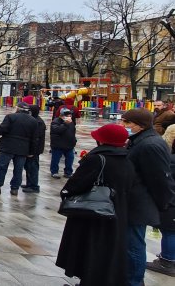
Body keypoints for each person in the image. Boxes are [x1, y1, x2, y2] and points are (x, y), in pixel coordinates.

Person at [56, 124, 136, 285]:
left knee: (88, 248)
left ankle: (88, 280)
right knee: (106, 251)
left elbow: (77, 183)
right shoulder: (127, 159)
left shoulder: (97, 159)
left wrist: (66, 193)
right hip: (115, 211)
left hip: (92, 212)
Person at [123, 107, 175, 285]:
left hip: (140, 202)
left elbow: (160, 178)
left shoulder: (150, 145)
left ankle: (135, 281)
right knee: (131, 244)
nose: (125, 125)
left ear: (140, 125)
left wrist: (163, 203)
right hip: (136, 200)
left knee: (134, 245)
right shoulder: (141, 140)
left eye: (128, 122)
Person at [0, 101, 40, 196]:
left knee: (2, 167)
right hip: (23, 149)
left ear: (18, 108)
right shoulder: (33, 121)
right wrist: (31, 151)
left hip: (8, 146)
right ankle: (15, 189)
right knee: (18, 169)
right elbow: (34, 139)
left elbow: (1, 131)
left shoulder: (10, 117)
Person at [149, 124, 175, 276]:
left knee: (170, 231)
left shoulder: (171, 159)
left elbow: (164, 179)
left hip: (171, 201)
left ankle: (167, 261)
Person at [21, 104, 47, 193]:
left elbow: (36, 138)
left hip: (35, 150)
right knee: (28, 166)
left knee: (33, 167)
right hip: (31, 148)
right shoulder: (34, 120)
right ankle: (29, 183)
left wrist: (32, 150)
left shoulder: (38, 122)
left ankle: (34, 186)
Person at [50, 108, 77, 179]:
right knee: (55, 159)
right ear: (62, 115)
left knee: (70, 159)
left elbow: (73, 132)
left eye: (70, 115)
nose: (70, 116)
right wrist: (65, 124)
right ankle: (54, 172)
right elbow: (57, 130)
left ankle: (68, 172)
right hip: (58, 145)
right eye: (68, 115)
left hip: (69, 145)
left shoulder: (71, 123)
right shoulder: (56, 121)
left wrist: (74, 141)